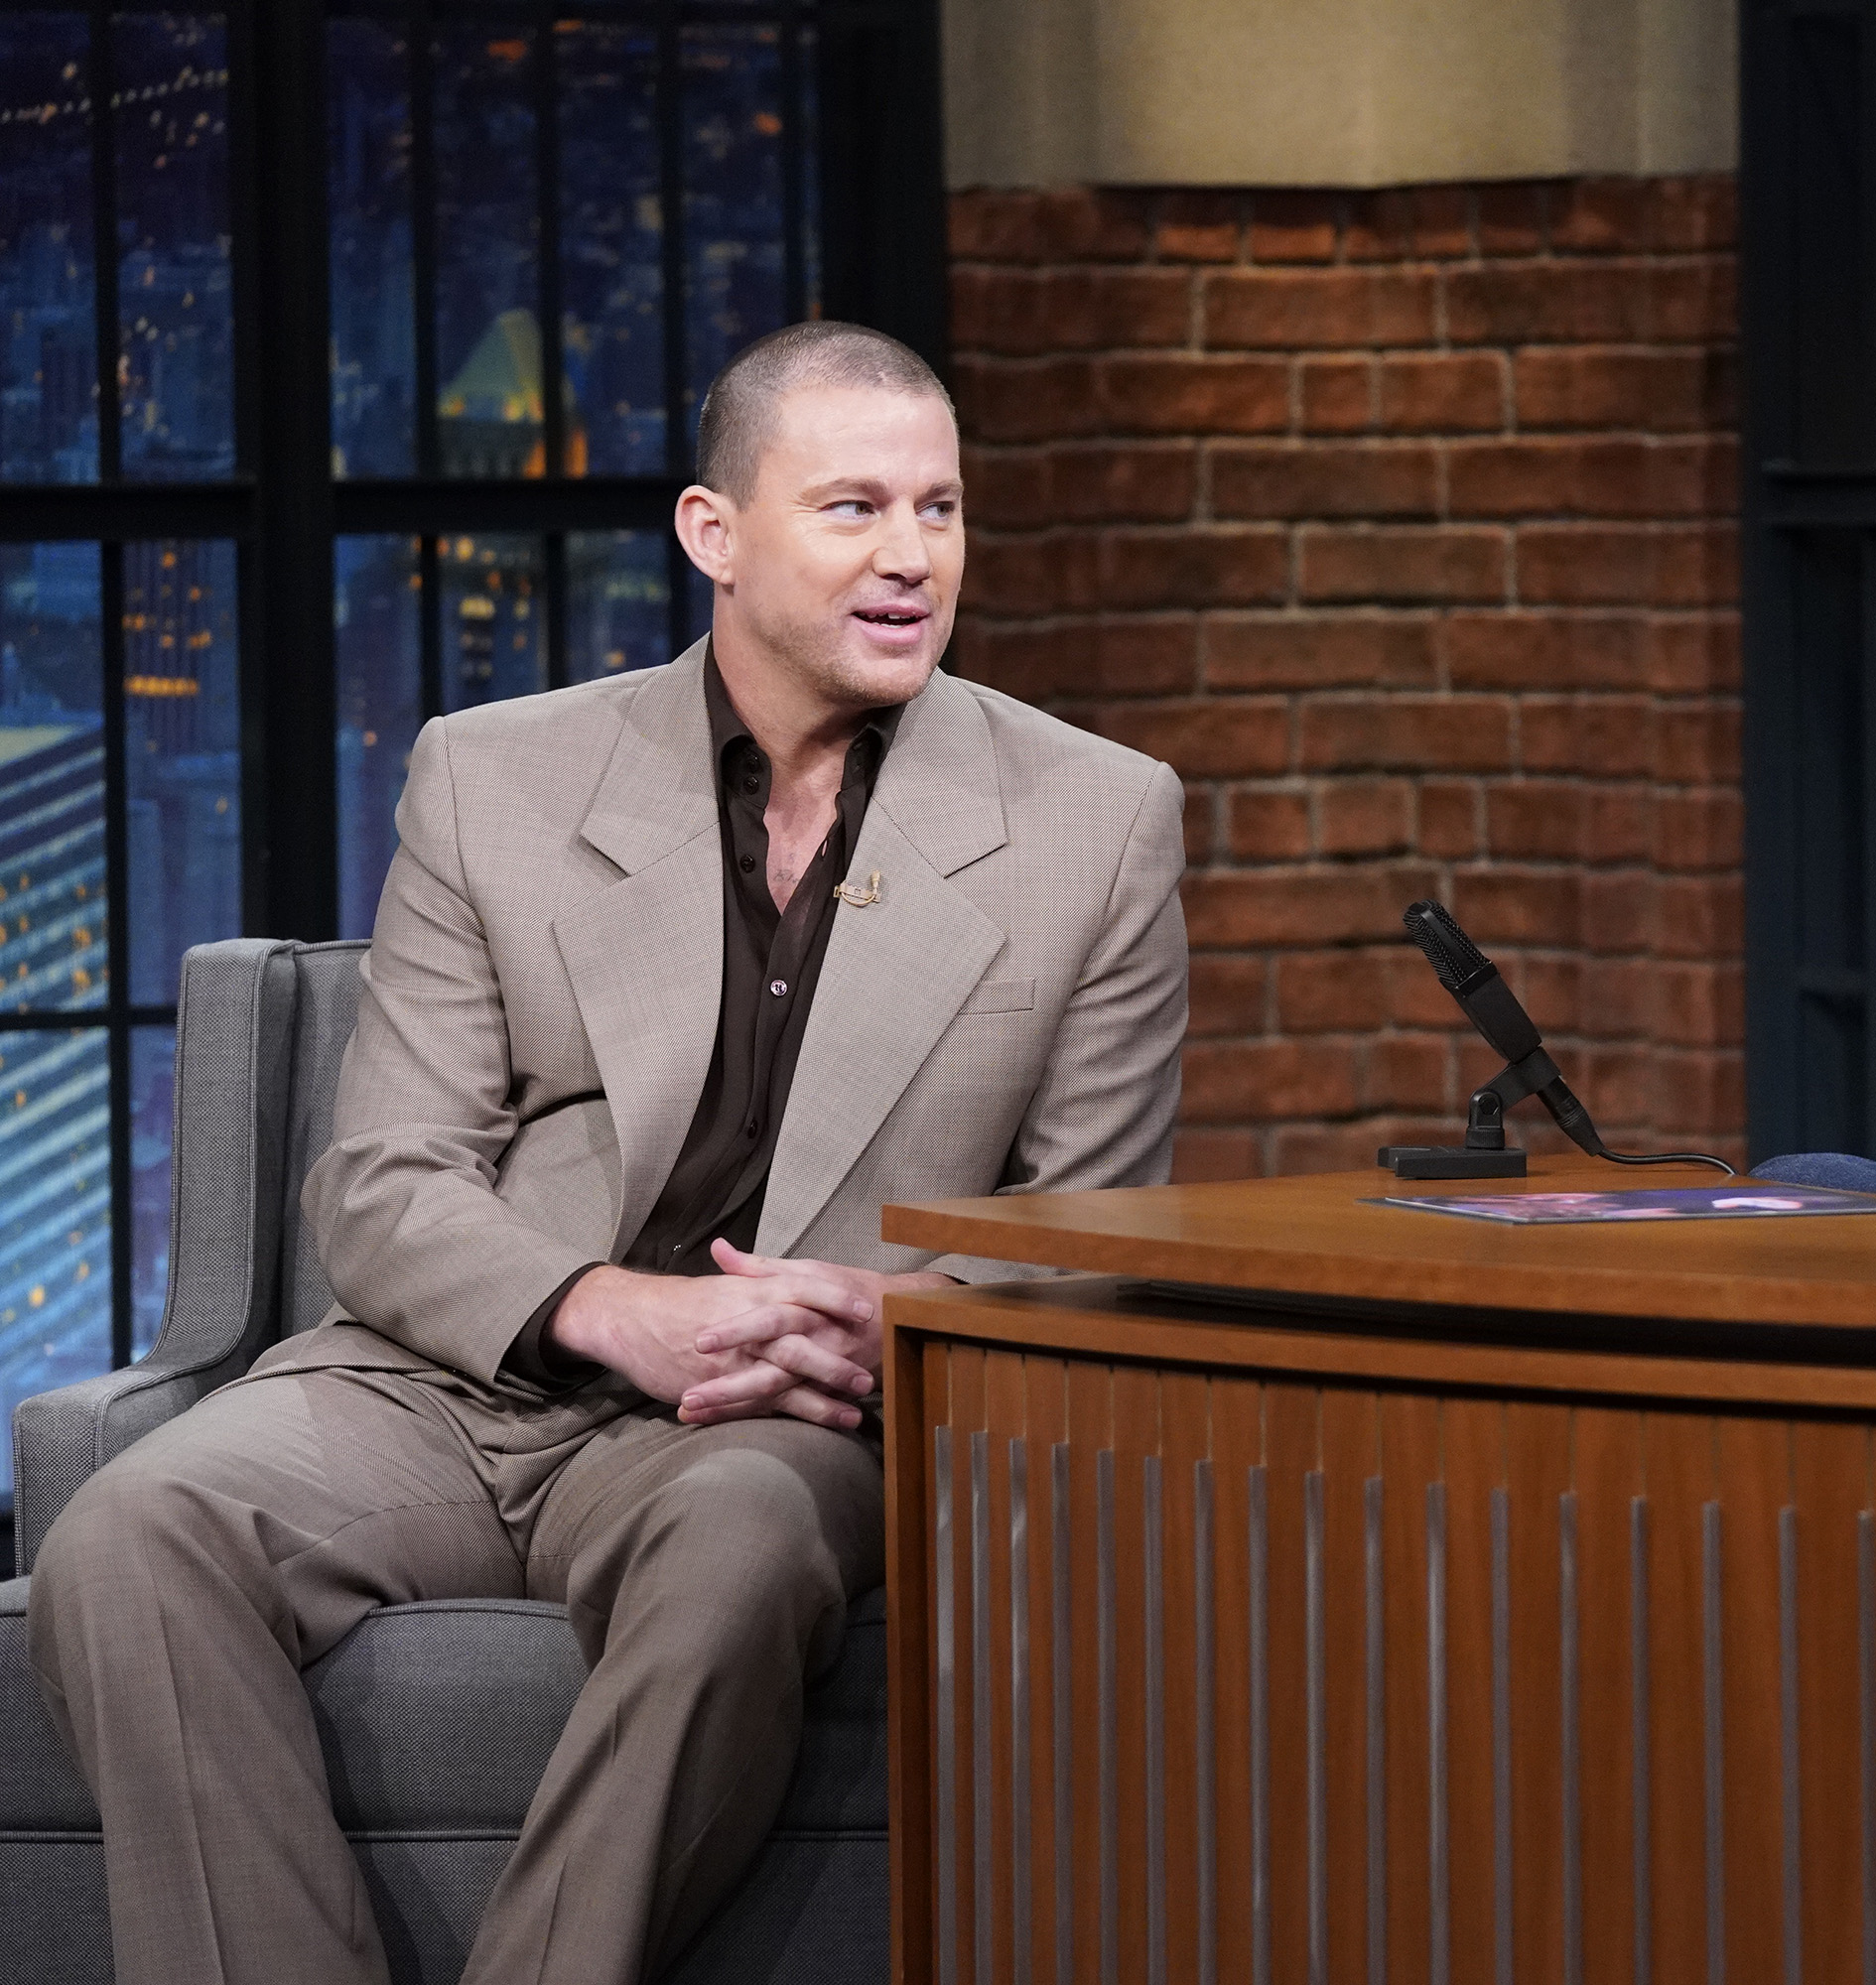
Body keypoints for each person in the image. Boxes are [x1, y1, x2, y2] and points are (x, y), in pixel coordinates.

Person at [27, 323, 1189, 1984]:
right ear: (715, 533)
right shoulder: (496, 776)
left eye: (939, 509)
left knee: (740, 1545)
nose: (912, 556)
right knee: (133, 1532)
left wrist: (899, 1323)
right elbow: (384, 1179)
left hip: (785, 1415)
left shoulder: (1097, 820)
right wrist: (605, 1308)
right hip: (456, 1383)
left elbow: (1092, 1236)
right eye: (854, 508)